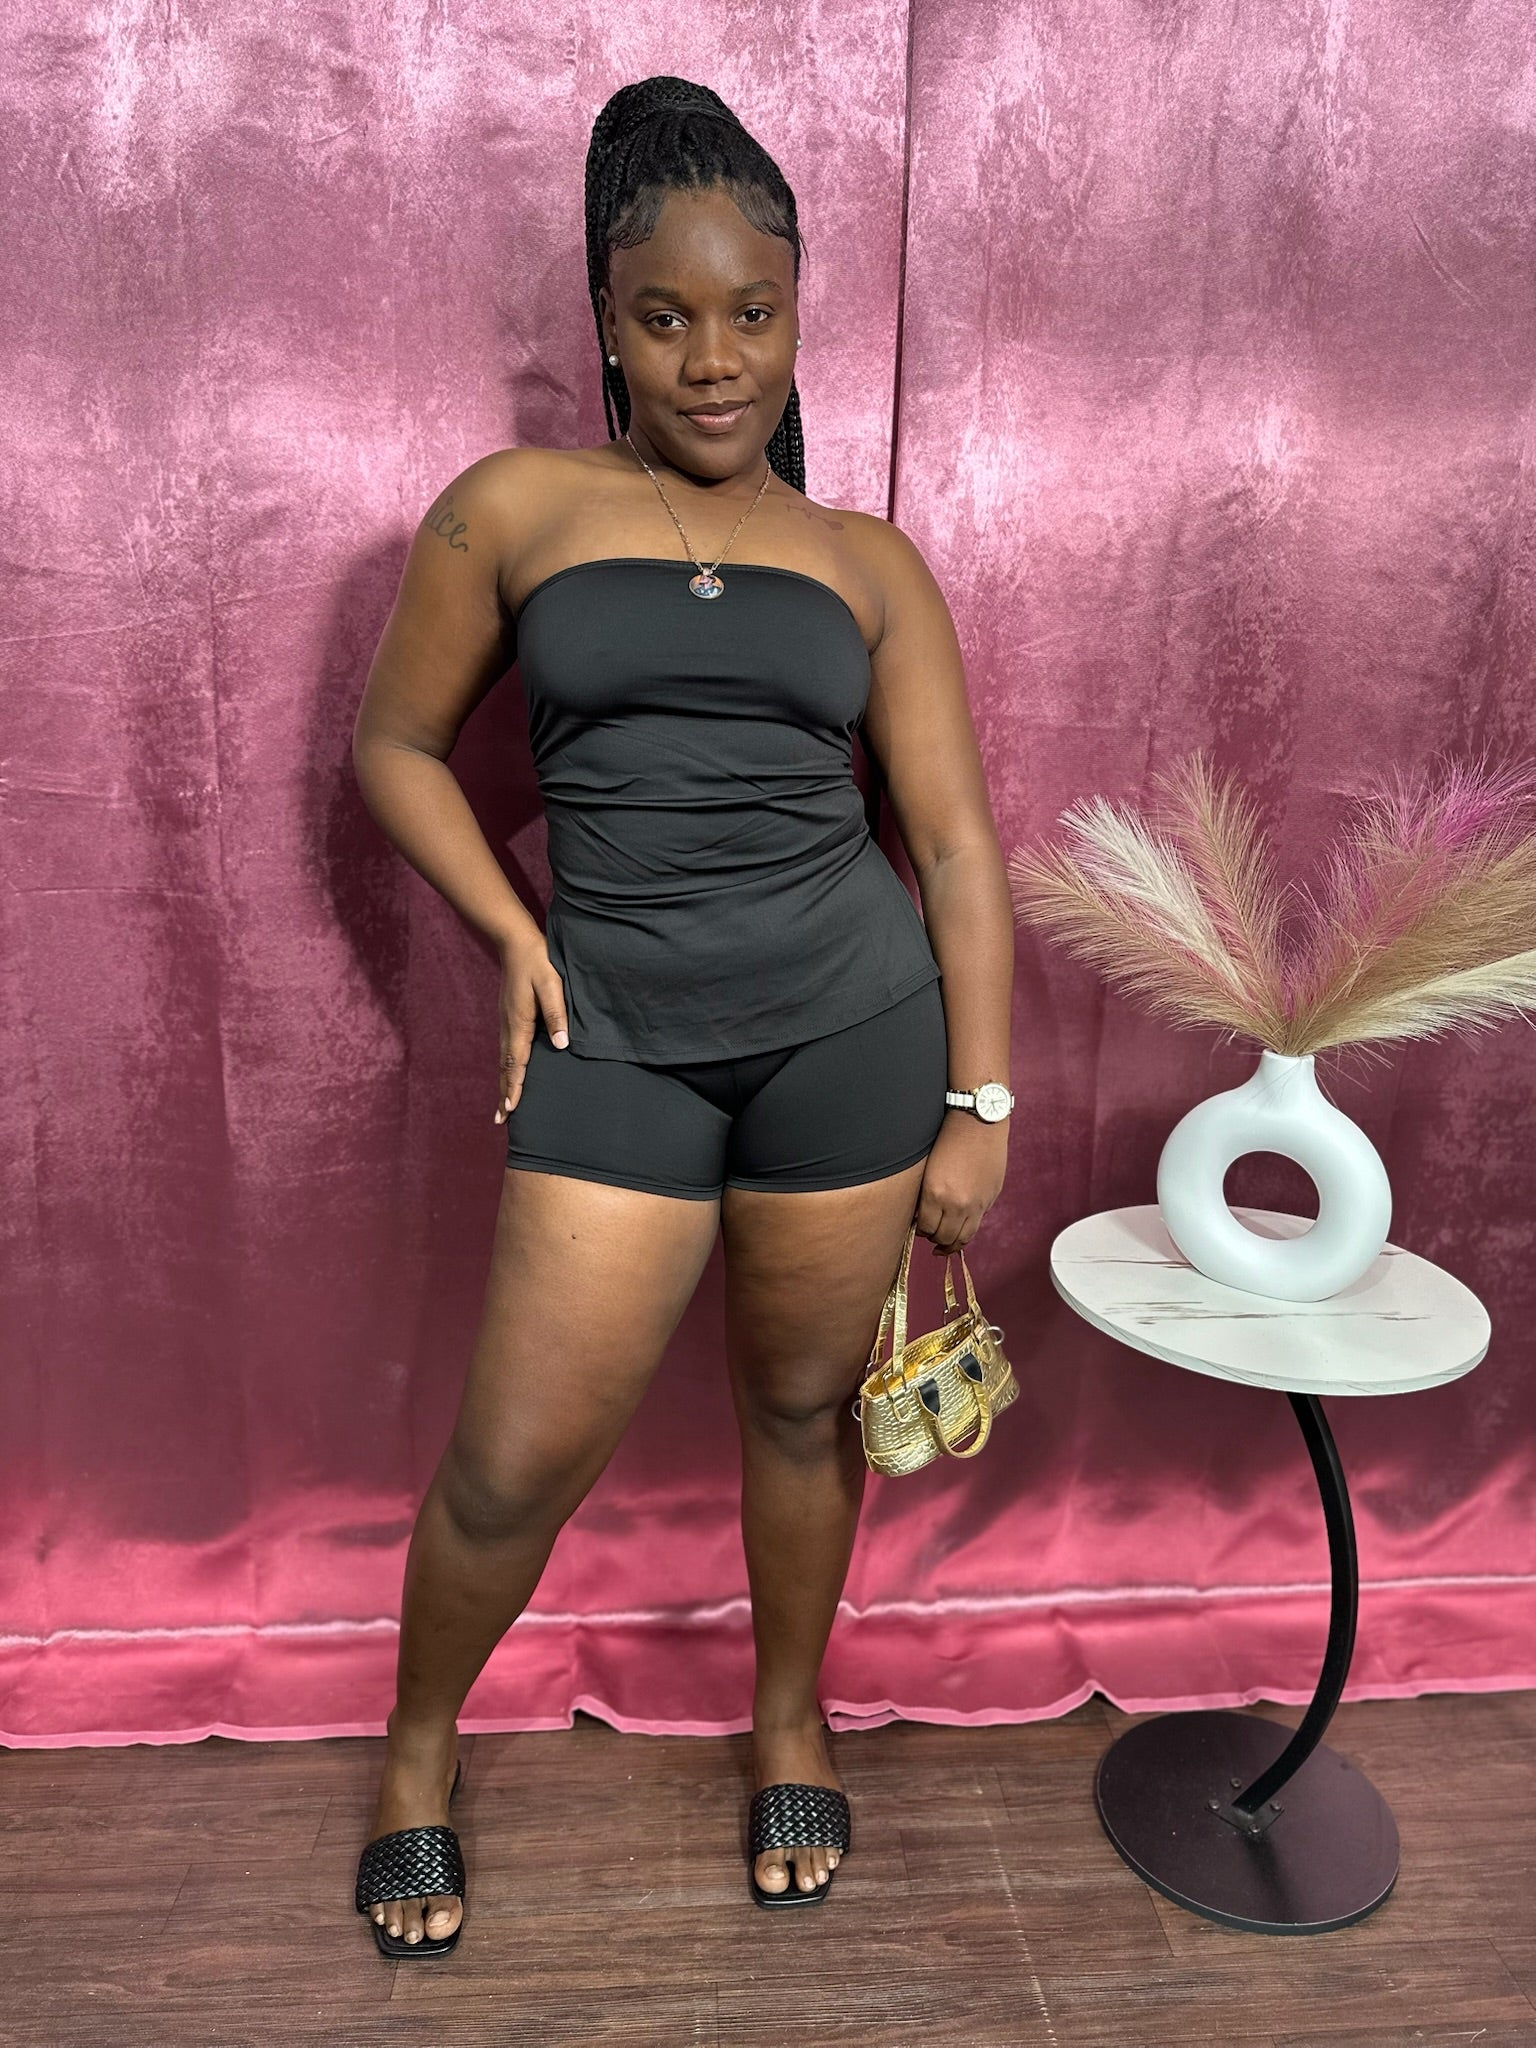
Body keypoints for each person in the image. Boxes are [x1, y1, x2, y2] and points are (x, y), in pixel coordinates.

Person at [348, 74, 1015, 1956]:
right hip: (617, 1041)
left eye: (752, 315)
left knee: (802, 1416)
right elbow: (393, 746)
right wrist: (510, 929)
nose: (714, 361)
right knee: (514, 1462)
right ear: (606, 320)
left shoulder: (867, 559)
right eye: (666, 317)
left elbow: (957, 848)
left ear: (797, 320)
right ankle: (416, 1757)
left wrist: (980, 1102)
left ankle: (791, 1719)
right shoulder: (513, 509)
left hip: (853, 1039)